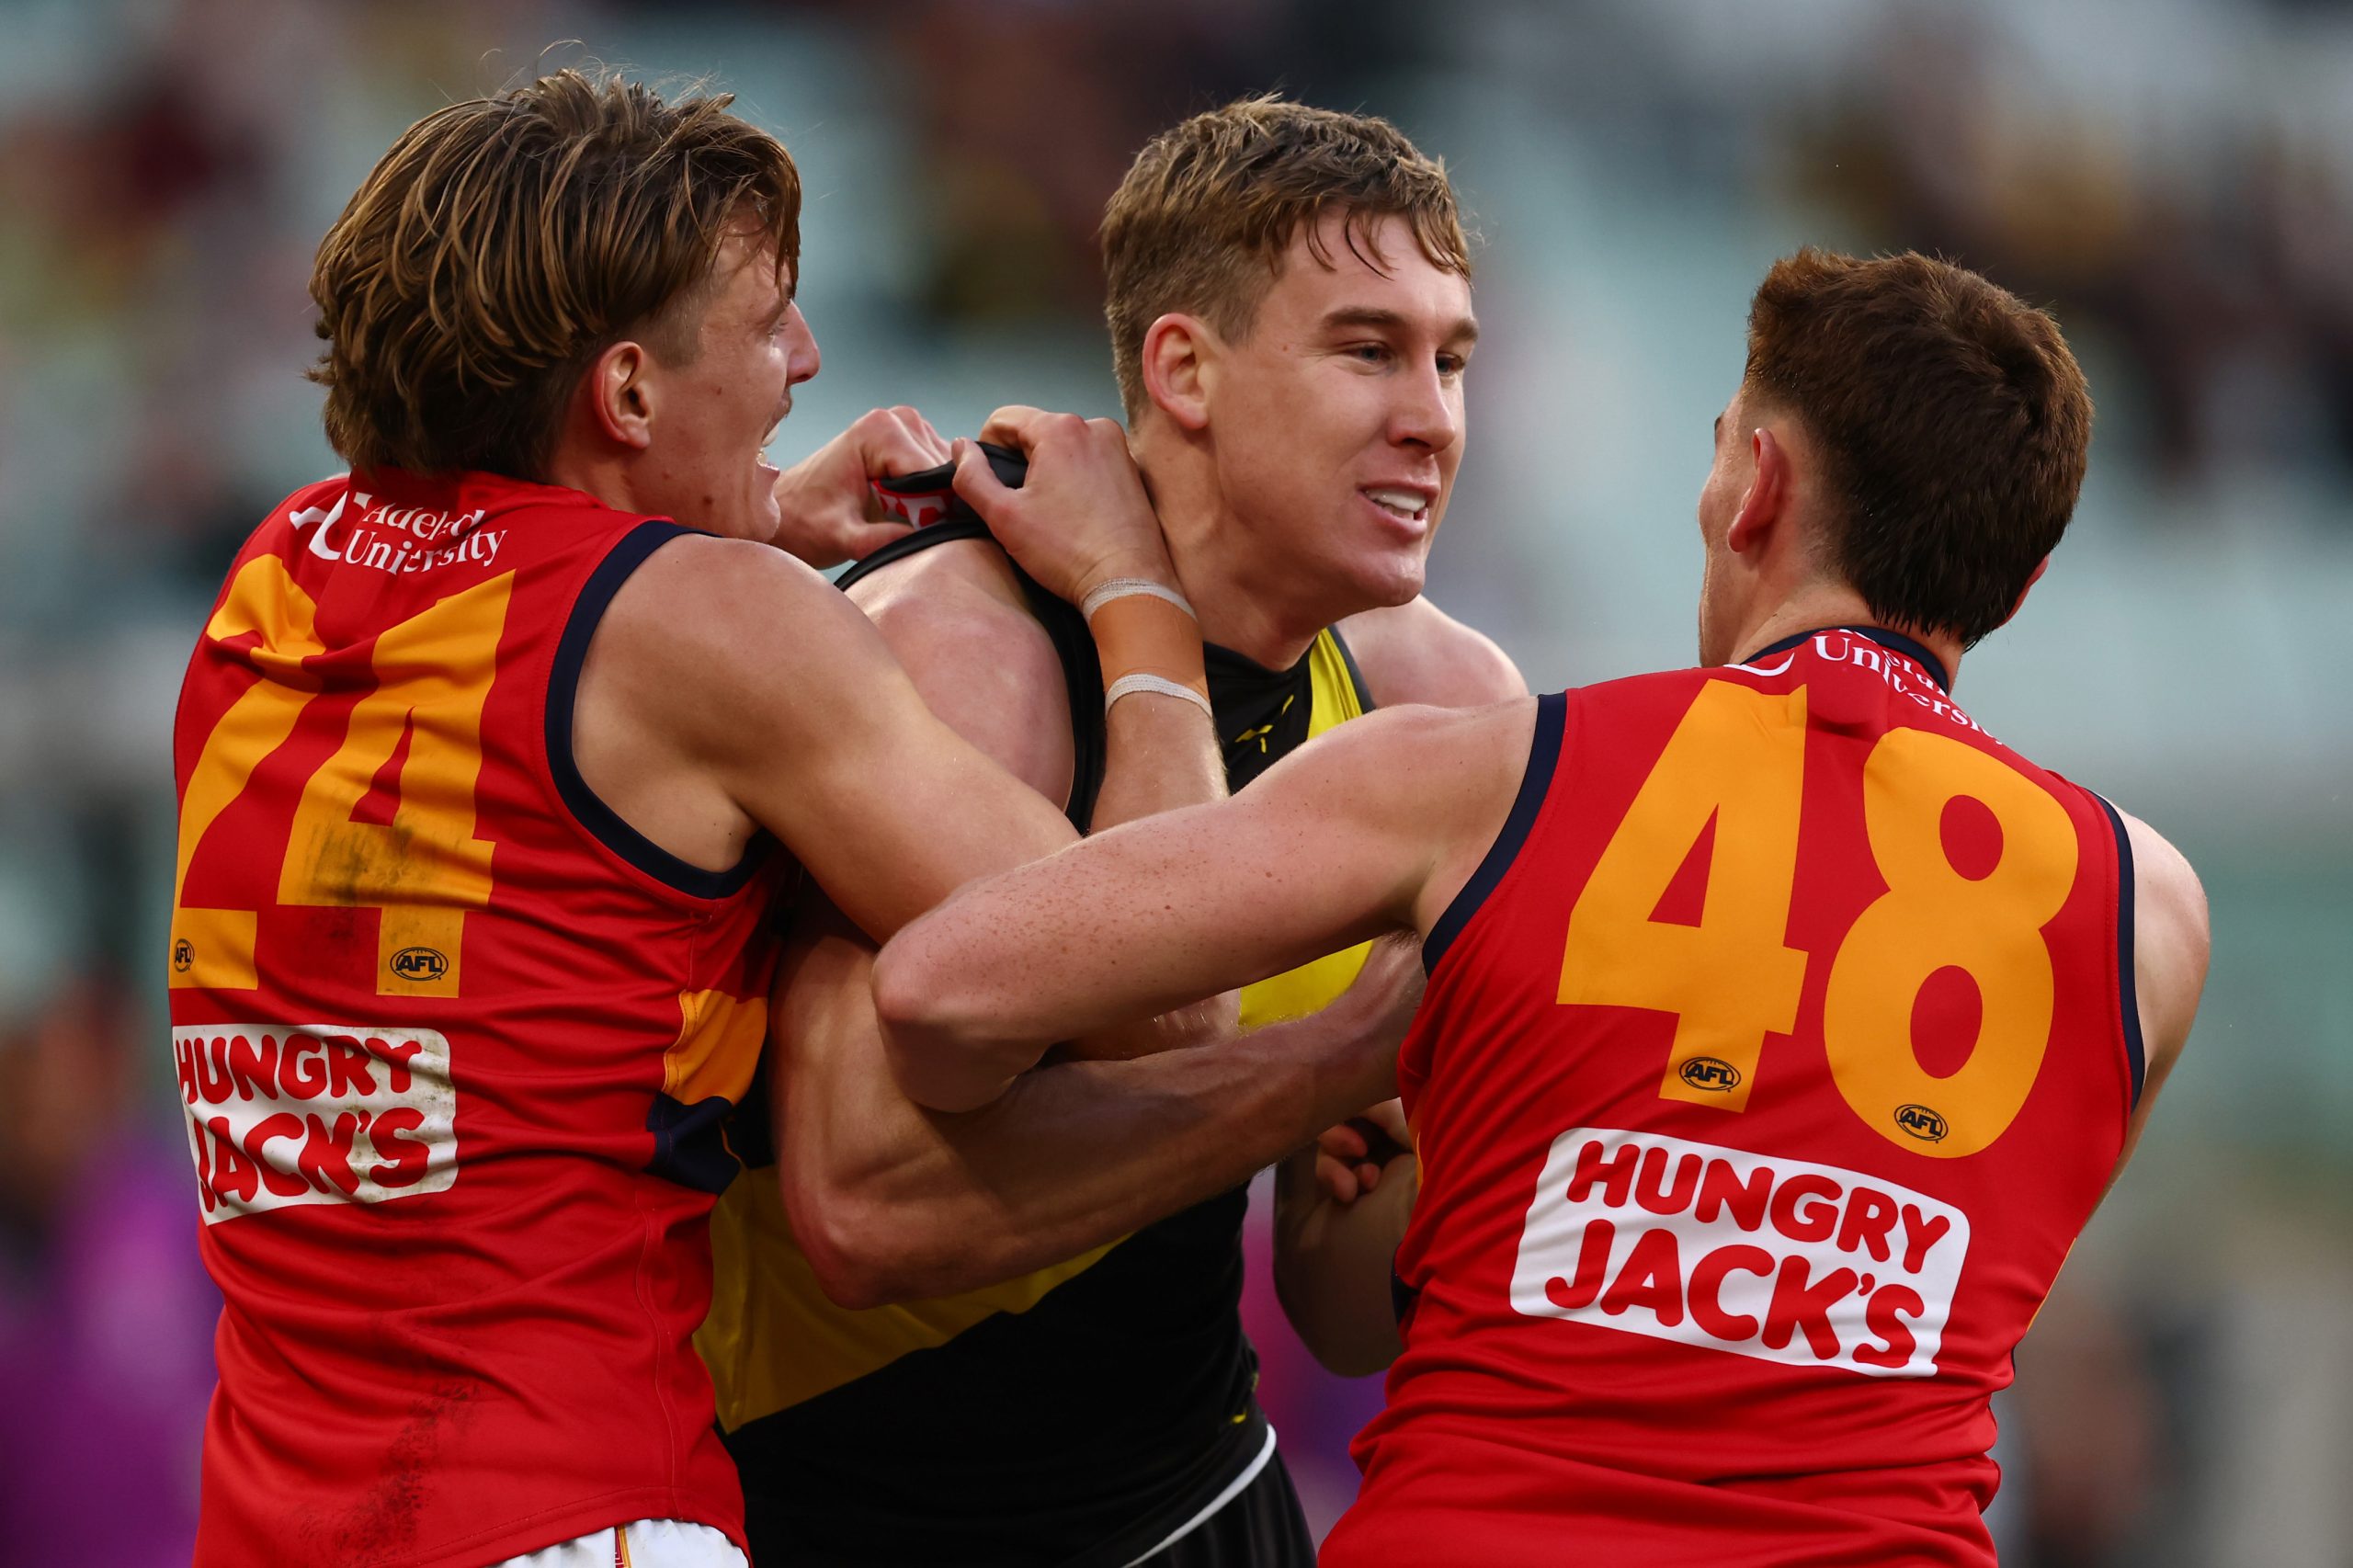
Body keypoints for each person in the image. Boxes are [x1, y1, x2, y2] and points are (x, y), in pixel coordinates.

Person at [165, 71, 1412, 1568]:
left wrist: (742, 517)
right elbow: (1163, 982)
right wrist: (1132, 597)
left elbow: (531, 647)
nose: (808, 360)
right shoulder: (706, 628)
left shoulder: (274, 579)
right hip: (575, 1503)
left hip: (271, 1506)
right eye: (764, 325)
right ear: (626, 394)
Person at [870, 249, 2212, 1567]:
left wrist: (1305, 1068)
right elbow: (1882, 1276)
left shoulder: (1488, 776)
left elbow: (944, 982)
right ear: (2022, 581)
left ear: (1759, 487)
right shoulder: (2149, 921)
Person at [699, 97, 1520, 1566]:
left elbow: (1341, 1312)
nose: (1434, 419)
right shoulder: (963, 640)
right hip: (834, 1514)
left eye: (1451, 358)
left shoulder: (1444, 699)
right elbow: (865, 1209)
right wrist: (1320, 1068)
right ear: (1184, 369)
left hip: (1191, 1498)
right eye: (1367, 350)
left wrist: (1422, 1162)